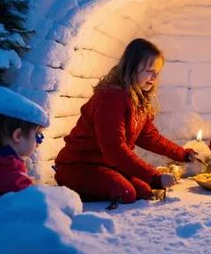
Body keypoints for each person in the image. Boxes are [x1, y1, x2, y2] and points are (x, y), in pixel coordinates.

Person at [54, 38, 197, 205]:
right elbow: (114, 148)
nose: (154, 76)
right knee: (126, 192)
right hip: (80, 165)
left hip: (107, 165)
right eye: (150, 70)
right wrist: (155, 176)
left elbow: (150, 137)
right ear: (132, 68)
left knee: (144, 190)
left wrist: (183, 154)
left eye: (157, 71)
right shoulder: (111, 98)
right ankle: (72, 192)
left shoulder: (137, 98)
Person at [0, 85, 49, 219]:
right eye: (38, 135)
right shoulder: (11, 176)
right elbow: (36, 208)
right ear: (18, 136)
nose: (38, 142)